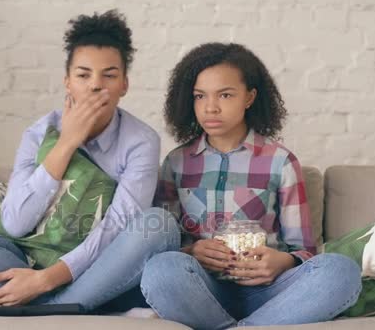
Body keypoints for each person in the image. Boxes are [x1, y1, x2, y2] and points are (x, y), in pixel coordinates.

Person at [0, 9, 180, 315]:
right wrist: (67, 143)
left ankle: (47, 307)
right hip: (34, 257)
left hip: (100, 266)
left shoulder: (141, 141)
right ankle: (82, 305)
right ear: (67, 82)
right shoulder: (37, 134)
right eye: (83, 75)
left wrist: (46, 280)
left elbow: (117, 226)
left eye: (109, 75)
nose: (95, 86)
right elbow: (16, 223)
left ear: (124, 85)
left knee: (159, 226)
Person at [141, 43, 362, 329]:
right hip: (203, 290)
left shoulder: (281, 162)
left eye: (225, 94)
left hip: (272, 292)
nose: (210, 107)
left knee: (341, 270)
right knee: (160, 270)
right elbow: (164, 244)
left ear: (249, 97)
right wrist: (192, 252)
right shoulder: (176, 163)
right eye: (199, 96)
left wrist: (281, 262)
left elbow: (305, 250)